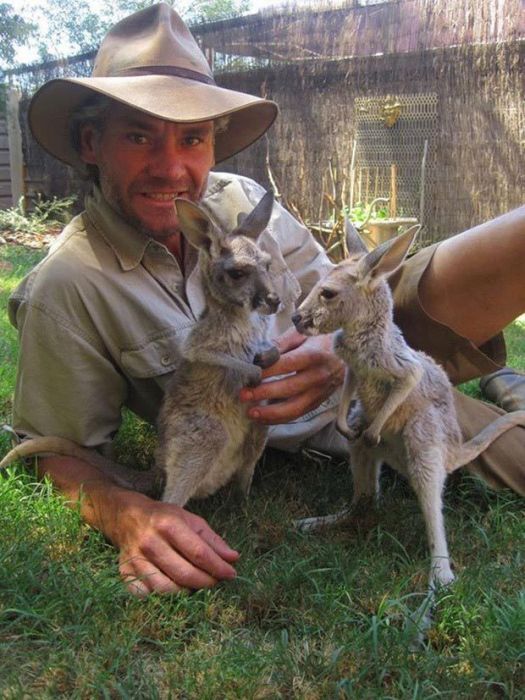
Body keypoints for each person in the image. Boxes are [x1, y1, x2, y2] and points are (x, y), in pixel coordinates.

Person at [7, 3, 524, 597]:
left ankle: (497, 375)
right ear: (92, 142)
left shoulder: (242, 200)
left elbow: (339, 291)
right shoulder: (69, 285)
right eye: (138, 135)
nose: (170, 167)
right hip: (335, 420)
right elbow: (54, 453)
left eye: (193, 138)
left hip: (367, 350)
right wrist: (128, 513)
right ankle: (504, 386)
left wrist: (331, 351)